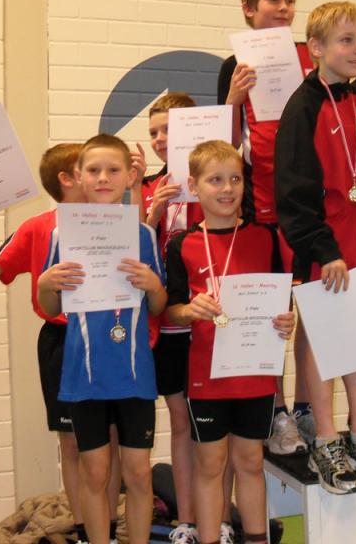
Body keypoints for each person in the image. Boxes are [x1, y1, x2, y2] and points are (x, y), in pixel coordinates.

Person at [0, 144, 122, 544]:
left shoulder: (115, 221)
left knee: (110, 440)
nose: (97, 176)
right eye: (86, 168)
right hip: (61, 340)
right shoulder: (37, 227)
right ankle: (84, 531)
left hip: (107, 337)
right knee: (72, 442)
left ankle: (110, 530)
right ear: (68, 178)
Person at [275, 0, 356, 495]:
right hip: (323, 243)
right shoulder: (302, 107)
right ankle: (326, 440)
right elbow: (293, 189)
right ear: (316, 48)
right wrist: (323, 247)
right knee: (324, 337)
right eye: (346, 41)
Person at [38, 134, 167, 544]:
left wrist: (152, 285)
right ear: (78, 177)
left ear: (130, 175)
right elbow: (50, 305)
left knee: (139, 473)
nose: (103, 178)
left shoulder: (144, 235)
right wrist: (45, 283)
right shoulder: (62, 235)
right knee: (94, 473)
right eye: (93, 170)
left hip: (134, 374)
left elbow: (160, 306)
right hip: (84, 375)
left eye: (113, 170)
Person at [165, 140, 295, 544]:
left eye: (235, 179)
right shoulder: (181, 244)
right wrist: (190, 310)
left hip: (255, 375)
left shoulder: (266, 237)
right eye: (216, 180)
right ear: (194, 185)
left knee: (251, 462)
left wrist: (286, 319)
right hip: (206, 376)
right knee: (210, 465)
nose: (227, 189)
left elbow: (281, 298)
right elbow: (170, 309)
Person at [217, 0, 312, 453]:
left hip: (309, 206)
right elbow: (224, 148)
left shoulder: (310, 57)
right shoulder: (234, 63)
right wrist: (234, 99)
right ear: (249, 9)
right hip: (260, 207)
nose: (284, 7)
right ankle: (276, 412)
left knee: (312, 312)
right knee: (272, 312)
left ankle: (308, 408)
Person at [140, 92, 206, 544]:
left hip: (208, 321)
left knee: (213, 428)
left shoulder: (214, 182)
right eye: (154, 132)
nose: (161, 139)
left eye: (170, 129)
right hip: (168, 325)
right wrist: (152, 215)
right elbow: (131, 253)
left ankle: (216, 519)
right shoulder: (149, 187)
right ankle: (185, 519)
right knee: (181, 422)